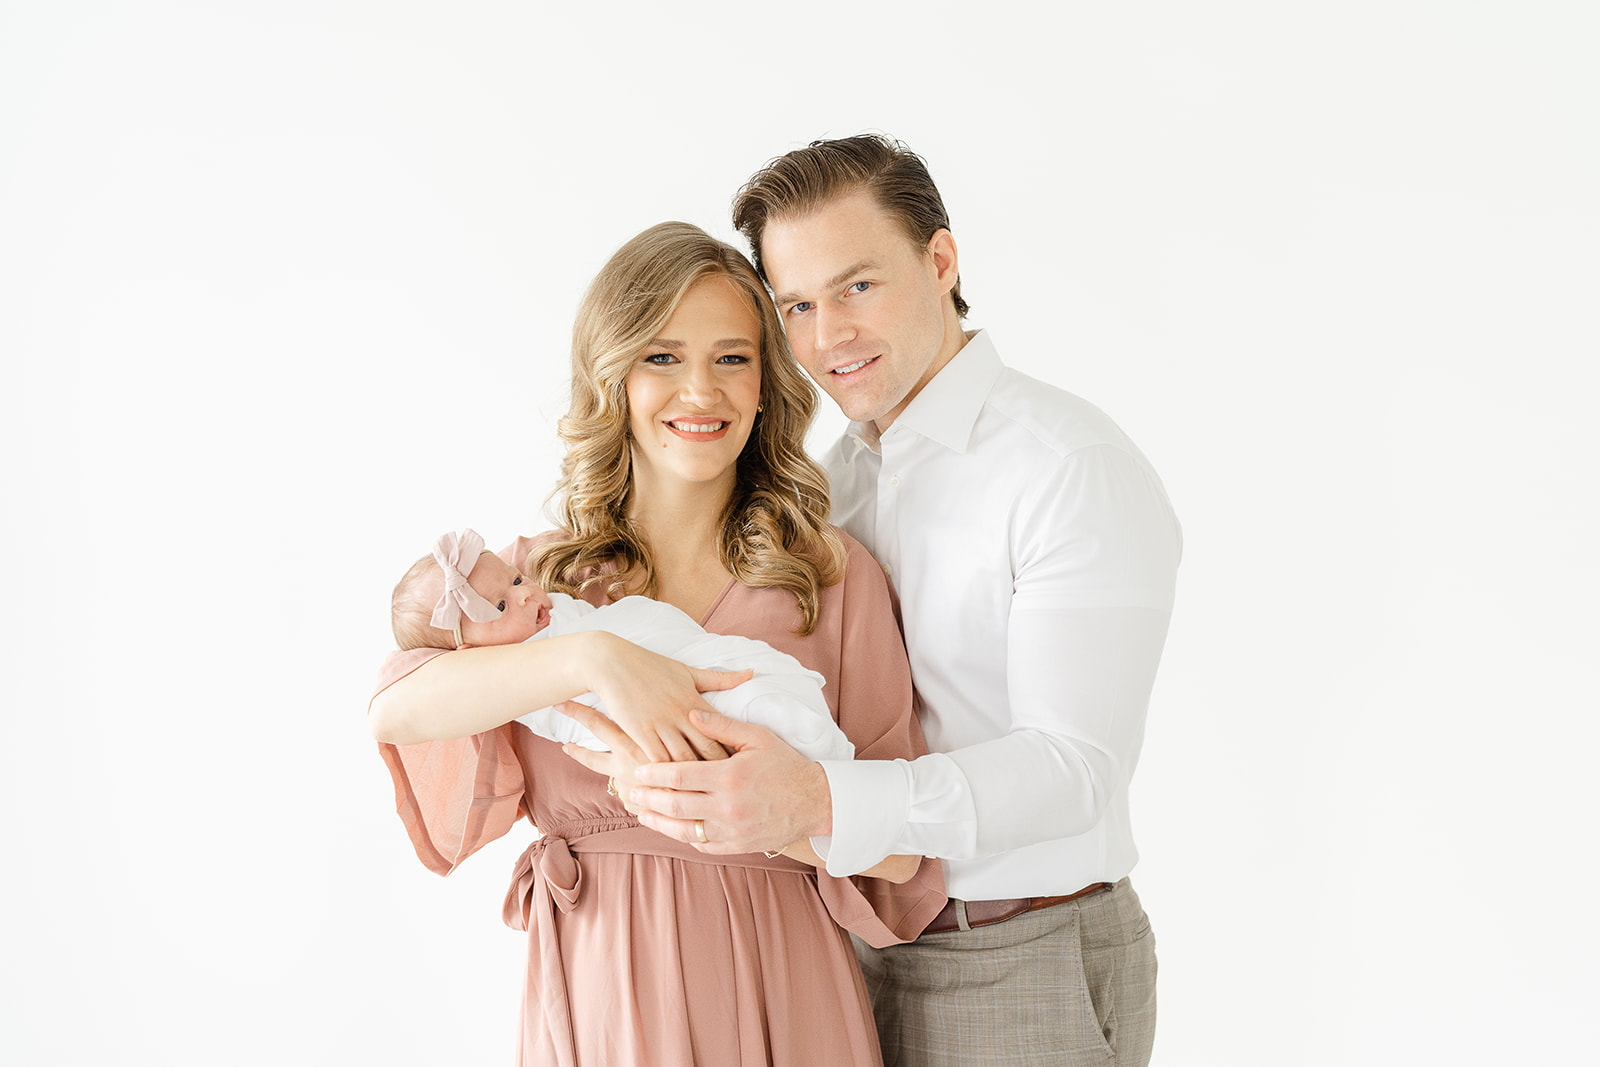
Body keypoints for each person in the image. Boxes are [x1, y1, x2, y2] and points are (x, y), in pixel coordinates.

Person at [593, 136, 1181, 1066]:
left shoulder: (1066, 467)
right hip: (842, 951)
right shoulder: (827, 493)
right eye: (797, 304)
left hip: (1016, 954)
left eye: (857, 286)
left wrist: (819, 800)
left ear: (940, 263)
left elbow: (1077, 768)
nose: (829, 336)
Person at [367, 220, 945, 1066]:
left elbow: (904, 850)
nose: (700, 391)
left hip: (782, 984)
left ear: (764, 384)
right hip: (605, 990)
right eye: (663, 357)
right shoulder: (528, 586)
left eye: (732, 358)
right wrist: (591, 658)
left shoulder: (828, 575)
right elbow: (395, 708)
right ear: (615, 377)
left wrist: (774, 808)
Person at [390, 526, 854, 761]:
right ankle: (780, 719)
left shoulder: (831, 556)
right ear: (470, 656)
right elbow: (391, 714)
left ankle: (788, 710)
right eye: (500, 606)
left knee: (737, 667)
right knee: (725, 707)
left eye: (516, 579)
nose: (527, 593)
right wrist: (594, 658)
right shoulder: (505, 685)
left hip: (662, 644)